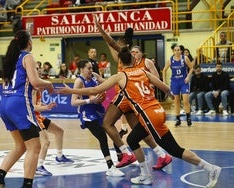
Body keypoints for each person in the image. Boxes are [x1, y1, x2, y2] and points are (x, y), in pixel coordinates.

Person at [56, 46, 221, 187]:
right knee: (133, 139)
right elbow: (162, 86)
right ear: (133, 60)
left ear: (120, 62)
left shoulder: (121, 75)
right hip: (156, 111)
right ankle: (145, 175)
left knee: (175, 150)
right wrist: (170, 93)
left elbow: (94, 91)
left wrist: (71, 91)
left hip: (149, 116)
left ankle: (210, 168)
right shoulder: (142, 70)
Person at [94, 16, 171, 170]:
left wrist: (100, 29)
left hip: (125, 95)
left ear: (124, 46)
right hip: (133, 97)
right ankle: (162, 155)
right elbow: (111, 45)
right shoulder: (130, 59)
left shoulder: (127, 55)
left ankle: (126, 153)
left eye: (119, 43)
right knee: (138, 131)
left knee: (107, 124)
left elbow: (111, 43)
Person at [0, 30, 55, 188]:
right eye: (31, 40)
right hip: (19, 105)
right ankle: (27, 185)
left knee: (21, 146)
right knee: (35, 147)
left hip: (4, 104)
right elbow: (35, 82)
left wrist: (37, 87)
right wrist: (49, 84)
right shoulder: (27, 56)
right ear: (28, 42)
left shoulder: (10, 59)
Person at [71, 59, 124, 177]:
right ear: (81, 69)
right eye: (88, 68)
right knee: (102, 136)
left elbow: (107, 82)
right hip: (87, 113)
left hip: (99, 109)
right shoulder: (79, 81)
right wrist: (90, 100)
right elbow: (73, 102)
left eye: (91, 68)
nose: (91, 70)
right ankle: (110, 167)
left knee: (112, 130)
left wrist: (119, 81)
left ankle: (121, 155)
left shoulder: (94, 76)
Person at [33, 89, 73, 176]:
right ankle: (38, 167)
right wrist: (45, 108)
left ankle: (59, 156)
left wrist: (47, 105)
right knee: (46, 142)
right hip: (34, 118)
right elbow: (33, 107)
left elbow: (37, 104)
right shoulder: (33, 90)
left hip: (39, 117)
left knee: (59, 131)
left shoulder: (38, 90)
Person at [162, 44, 194, 127]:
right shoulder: (170, 60)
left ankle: (188, 117)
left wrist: (188, 77)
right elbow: (164, 70)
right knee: (176, 102)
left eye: (178, 50)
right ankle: (178, 119)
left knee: (186, 100)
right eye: (175, 50)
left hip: (184, 81)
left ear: (181, 51)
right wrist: (164, 82)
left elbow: (191, 68)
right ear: (173, 51)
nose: (177, 51)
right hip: (175, 82)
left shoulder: (185, 58)